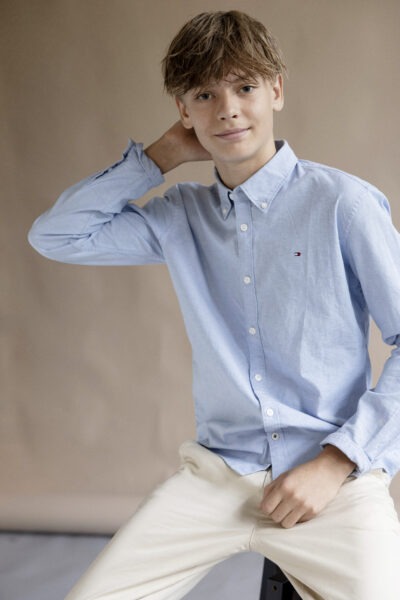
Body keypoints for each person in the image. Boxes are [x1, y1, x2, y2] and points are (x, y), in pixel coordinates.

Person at [28, 10, 400, 600]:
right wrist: (158, 158)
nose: (227, 109)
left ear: (276, 90)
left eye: (245, 87)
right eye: (204, 95)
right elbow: (57, 236)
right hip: (217, 478)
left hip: (334, 479)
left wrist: (337, 462)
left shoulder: (343, 205)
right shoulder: (179, 217)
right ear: (183, 110)